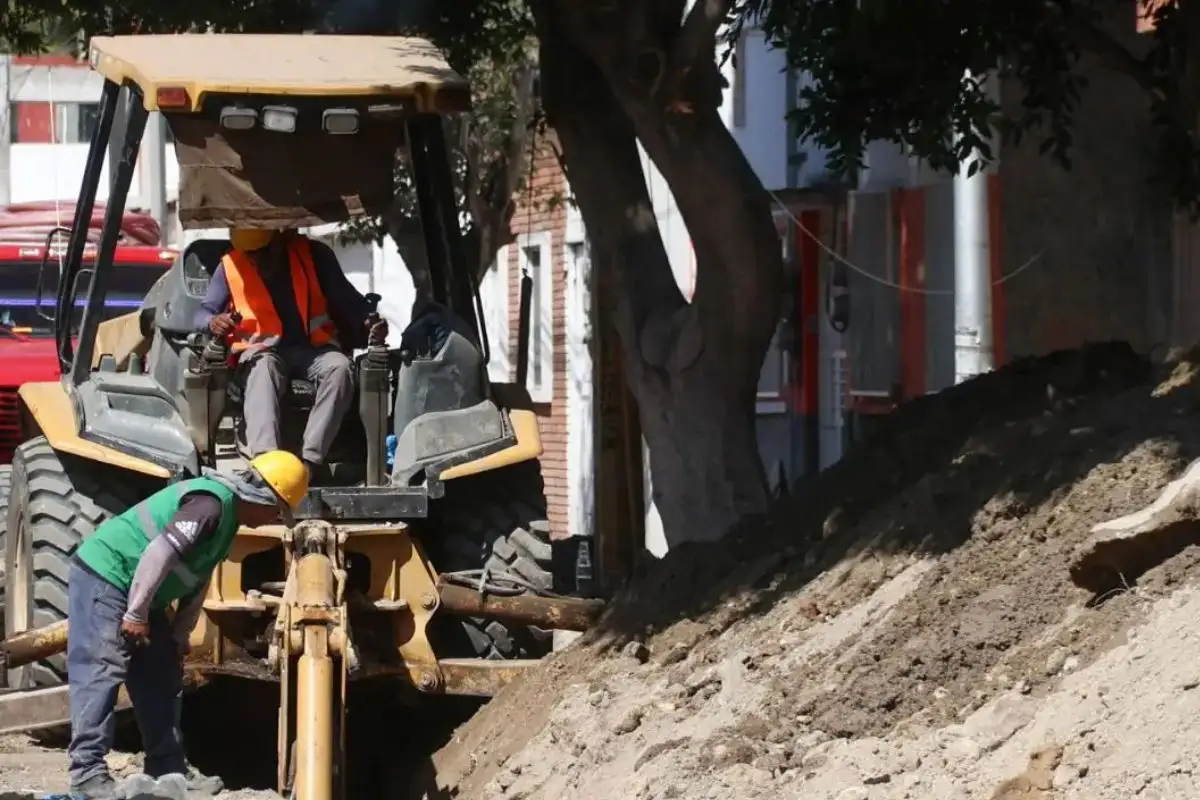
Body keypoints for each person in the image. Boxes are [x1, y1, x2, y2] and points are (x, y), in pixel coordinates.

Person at [66, 451, 310, 799]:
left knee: (161, 670)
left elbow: (198, 576)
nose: (273, 518)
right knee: (101, 668)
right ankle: (87, 774)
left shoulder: (228, 521)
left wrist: (179, 634)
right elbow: (159, 553)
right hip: (108, 575)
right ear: (263, 495)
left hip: (143, 589)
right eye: (276, 509)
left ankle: (168, 768)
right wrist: (135, 613)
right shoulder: (210, 505)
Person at [195, 228, 388, 477]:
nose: (257, 261)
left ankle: (309, 462)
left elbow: (351, 303)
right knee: (263, 368)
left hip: (312, 351)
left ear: (279, 241)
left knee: (340, 368)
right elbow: (201, 313)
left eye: (263, 253)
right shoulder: (230, 265)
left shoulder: (314, 256)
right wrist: (212, 322)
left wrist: (368, 322)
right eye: (250, 255)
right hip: (261, 352)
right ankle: (267, 466)